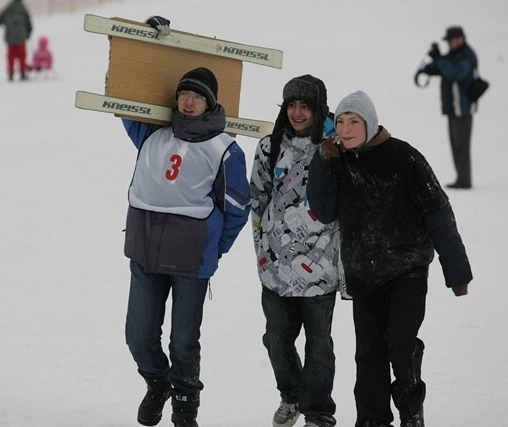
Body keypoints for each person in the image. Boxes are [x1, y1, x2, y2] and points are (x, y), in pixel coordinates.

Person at [306, 90, 473, 427]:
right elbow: (323, 212)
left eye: (354, 121)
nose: (346, 129)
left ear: (370, 123)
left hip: (406, 271)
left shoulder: (404, 157)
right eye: (340, 122)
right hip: (363, 274)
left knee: (400, 344)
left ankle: (411, 413)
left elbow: (438, 213)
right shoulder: (336, 161)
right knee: (369, 355)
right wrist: (321, 162)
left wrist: (457, 271)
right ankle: (372, 420)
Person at [120, 36, 250, 427]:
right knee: (138, 336)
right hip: (145, 249)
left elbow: (237, 209)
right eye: (183, 95)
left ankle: (185, 405)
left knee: (183, 341)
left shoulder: (226, 149)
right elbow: (126, 95)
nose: (188, 102)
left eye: (197, 97)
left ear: (210, 103)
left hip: (192, 259)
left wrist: (215, 248)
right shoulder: (153, 135)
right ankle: (157, 381)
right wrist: (144, 37)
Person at [250, 75, 345, 427]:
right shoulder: (269, 146)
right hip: (274, 267)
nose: (297, 112)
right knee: (277, 340)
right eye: (291, 105)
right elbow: (257, 200)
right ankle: (290, 396)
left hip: (321, 270)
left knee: (319, 346)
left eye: (305, 105)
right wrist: (261, 248)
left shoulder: (338, 146)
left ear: (318, 108)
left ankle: (318, 413)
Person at [416, 26, 479, 189]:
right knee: (455, 144)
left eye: (451, 41)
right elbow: (440, 68)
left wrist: (438, 58)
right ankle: (461, 178)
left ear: (460, 39)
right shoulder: (453, 56)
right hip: (453, 108)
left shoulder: (466, 56)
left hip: (462, 109)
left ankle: (464, 180)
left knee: (461, 146)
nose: (449, 44)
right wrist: (427, 66)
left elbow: (454, 72)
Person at [0, 0, 33, 81]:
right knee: (22, 56)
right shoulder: (22, 8)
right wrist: (29, 32)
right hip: (21, 37)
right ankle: (23, 73)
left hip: (10, 37)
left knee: (11, 57)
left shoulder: (8, 8)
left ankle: (11, 73)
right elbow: (28, 21)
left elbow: (0, 19)